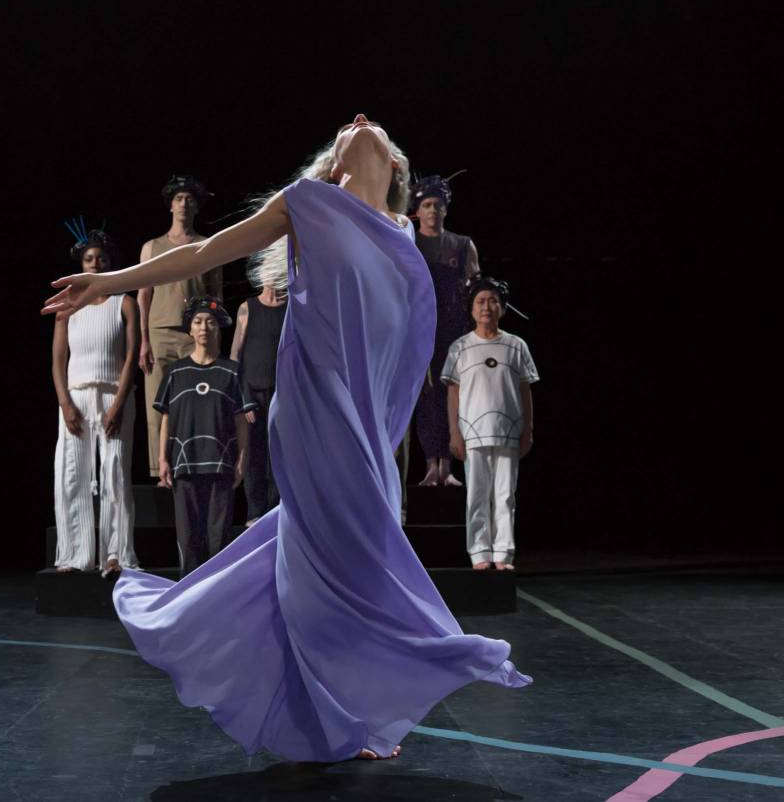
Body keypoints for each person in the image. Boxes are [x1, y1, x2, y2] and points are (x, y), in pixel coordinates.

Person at [43, 114, 531, 763]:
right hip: (311, 406)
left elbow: (408, 341)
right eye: (352, 126)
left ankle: (326, 694)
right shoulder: (306, 204)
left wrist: (387, 428)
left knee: (337, 553)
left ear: (395, 171)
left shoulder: (403, 238)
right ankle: (362, 695)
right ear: (336, 162)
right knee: (328, 554)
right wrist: (107, 283)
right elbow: (199, 254)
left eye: (375, 127)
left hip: (361, 423)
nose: (359, 121)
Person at [50, 223, 140, 575]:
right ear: (81, 265)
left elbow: (131, 356)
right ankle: (76, 555)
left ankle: (115, 554)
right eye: (89, 259)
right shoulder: (66, 309)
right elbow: (58, 360)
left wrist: (118, 403)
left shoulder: (125, 303)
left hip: (113, 396)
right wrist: (65, 404)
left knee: (115, 472)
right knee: (72, 475)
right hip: (75, 398)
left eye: (101, 259)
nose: (95, 265)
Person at [441, 274, 538, 572]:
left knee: (505, 495)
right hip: (473, 433)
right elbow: (453, 392)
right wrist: (455, 433)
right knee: (477, 495)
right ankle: (479, 552)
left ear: (503, 308)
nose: (487, 307)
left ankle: (503, 553)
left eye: (493, 301)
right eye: (481, 302)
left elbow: (525, 389)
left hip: (508, 431)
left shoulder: (516, 345)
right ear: (471, 309)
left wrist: (528, 431)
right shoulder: (460, 347)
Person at [155, 296, 253, 574]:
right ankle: (190, 599)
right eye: (197, 322)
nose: (204, 327)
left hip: (220, 466)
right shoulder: (176, 373)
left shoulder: (231, 372)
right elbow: (166, 419)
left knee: (217, 541)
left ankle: (215, 598)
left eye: (210, 322)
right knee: (188, 540)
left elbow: (241, 422)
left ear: (218, 329)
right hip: (184, 465)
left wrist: (242, 461)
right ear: (190, 329)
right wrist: (163, 459)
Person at [139, 176, 225, 482]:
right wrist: (143, 341)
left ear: (196, 206)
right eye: (179, 199)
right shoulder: (152, 247)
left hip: (195, 335)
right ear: (171, 205)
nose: (184, 204)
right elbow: (143, 293)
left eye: (189, 199)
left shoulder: (207, 246)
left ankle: (194, 464)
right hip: (160, 332)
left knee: (195, 401)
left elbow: (216, 298)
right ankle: (159, 469)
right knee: (157, 406)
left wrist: (214, 341)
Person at [410, 173, 480, 487]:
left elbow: (475, 288)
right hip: (419, 330)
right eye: (426, 205)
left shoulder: (462, 244)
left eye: (438, 205)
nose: (433, 210)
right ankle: (429, 464)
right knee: (425, 396)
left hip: (453, 330)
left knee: (452, 393)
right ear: (418, 209)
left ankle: (448, 465)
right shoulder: (408, 242)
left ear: (445, 209)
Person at [230, 274, 287, 526]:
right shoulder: (247, 307)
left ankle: (276, 510)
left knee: (280, 453)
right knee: (253, 453)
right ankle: (254, 513)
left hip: (283, 395)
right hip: (252, 394)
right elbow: (235, 356)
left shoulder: (292, 306)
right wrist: (243, 398)